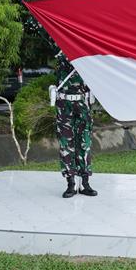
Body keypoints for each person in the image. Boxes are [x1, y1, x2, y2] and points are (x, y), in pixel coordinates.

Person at [53, 51, 98, 198]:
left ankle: (85, 183)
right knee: (66, 144)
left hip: (83, 103)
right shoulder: (61, 51)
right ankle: (70, 183)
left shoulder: (87, 51)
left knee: (85, 142)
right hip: (64, 103)